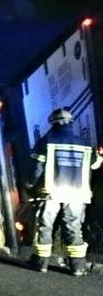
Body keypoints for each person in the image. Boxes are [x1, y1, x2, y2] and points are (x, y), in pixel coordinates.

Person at [26, 107, 102, 276]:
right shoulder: (86, 144)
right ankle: (77, 267)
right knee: (73, 227)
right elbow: (95, 165)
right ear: (71, 123)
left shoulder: (46, 142)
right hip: (77, 193)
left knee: (45, 226)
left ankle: (41, 264)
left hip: (51, 192)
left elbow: (37, 169)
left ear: (53, 124)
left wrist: (29, 184)